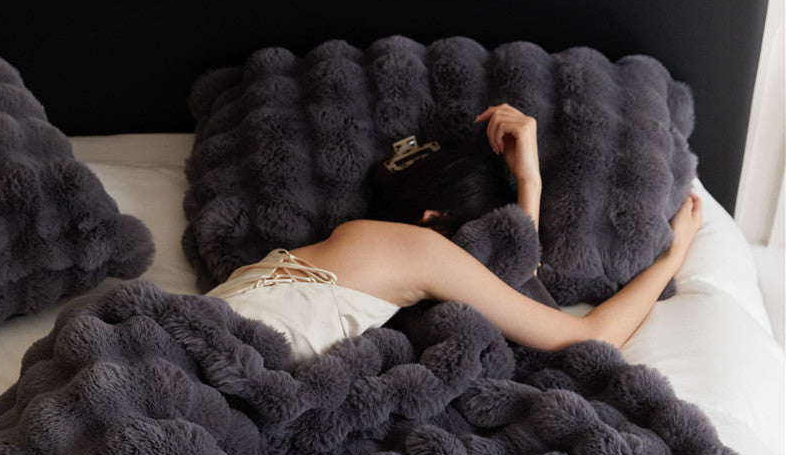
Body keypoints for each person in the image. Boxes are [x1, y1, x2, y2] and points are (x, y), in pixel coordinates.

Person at [207, 103, 704, 361]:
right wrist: (672, 257)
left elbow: (511, 272)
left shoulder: (348, 242)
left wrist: (529, 184)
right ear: (433, 221)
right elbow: (584, 335)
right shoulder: (419, 249)